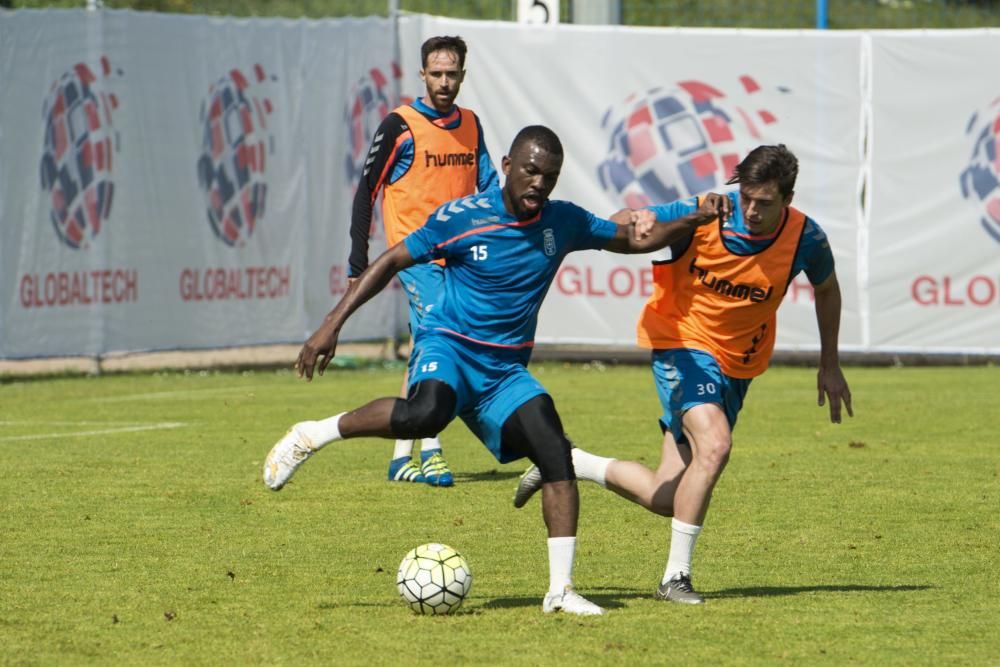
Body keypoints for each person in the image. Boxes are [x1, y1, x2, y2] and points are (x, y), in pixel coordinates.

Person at [263, 125, 732, 616]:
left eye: (549, 177)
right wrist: (330, 325)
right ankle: (313, 434)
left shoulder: (562, 222)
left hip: (504, 370)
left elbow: (632, 239)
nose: (538, 184)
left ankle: (560, 591)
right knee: (427, 413)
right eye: (530, 171)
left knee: (554, 447)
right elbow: (392, 259)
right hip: (450, 345)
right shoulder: (463, 218)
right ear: (506, 166)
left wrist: (695, 214)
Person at [513, 144, 853, 605]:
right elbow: (622, 223)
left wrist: (829, 362)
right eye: (747, 197)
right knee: (715, 445)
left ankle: (570, 462)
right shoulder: (705, 213)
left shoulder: (805, 239)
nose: (751, 210)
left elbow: (827, 290)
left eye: (765, 203)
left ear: (788, 201)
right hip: (681, 346)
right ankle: (675, 577)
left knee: (668, 496)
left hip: (738, 366)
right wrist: (641, 219)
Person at [348, 35, 499, 487]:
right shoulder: (400, 124)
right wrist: (359, 255)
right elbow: (366, 189)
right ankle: (431, 447)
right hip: (414, 257)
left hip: (460, 259)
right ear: (422, 75)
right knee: (445, 339)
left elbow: (489, 188)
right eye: (437, 74)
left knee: (425, 350)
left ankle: (401, 457)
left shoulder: (471, 125)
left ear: (463, 76)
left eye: (452, 74)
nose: (445, 82)